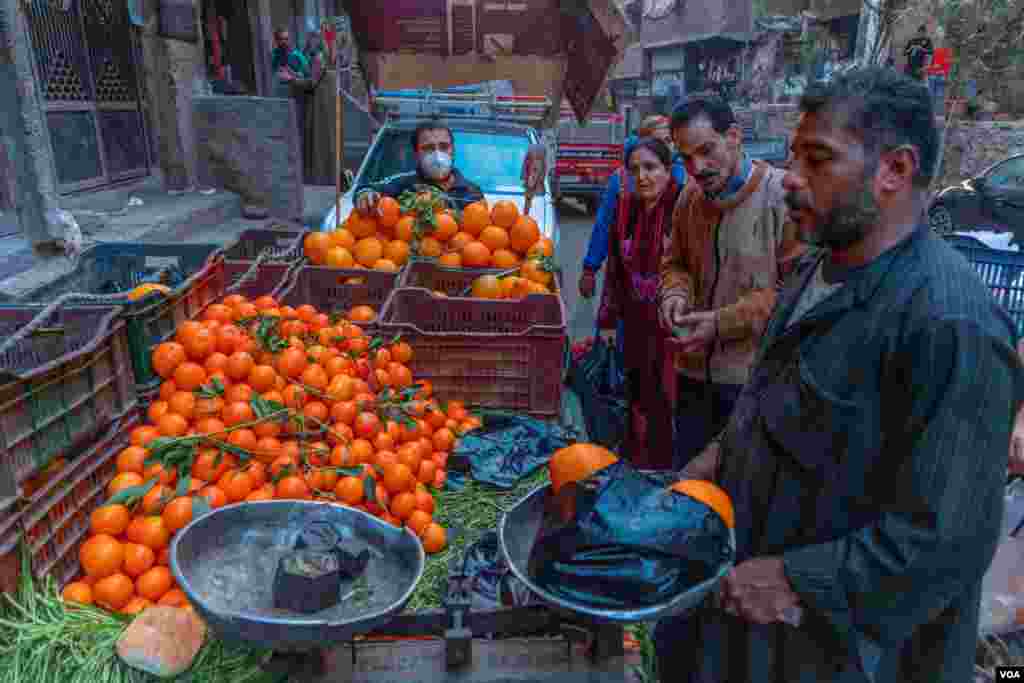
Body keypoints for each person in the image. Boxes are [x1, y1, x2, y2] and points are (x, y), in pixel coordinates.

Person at [659, 67, 1024, 683]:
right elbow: (771, 402)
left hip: (854, 656)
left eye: (818, 160)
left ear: (895, 171)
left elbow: (946, 541)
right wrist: (715, 459)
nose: (792, 181)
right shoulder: (813, 272)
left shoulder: (949, 323)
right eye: (793, 156)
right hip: (761, 637)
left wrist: (793, 580)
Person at [658, 96, 804, 471]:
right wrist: (674, 295)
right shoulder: (689, 200)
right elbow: (675, 263)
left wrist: (720, 323)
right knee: (687, 493)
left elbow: (796, 295)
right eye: (686, 159)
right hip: (691, 376)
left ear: (735, 136)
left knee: (740, 496)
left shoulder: (781, 199)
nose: (697, 168)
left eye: (707, 151)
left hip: (752, 385)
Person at [596, 138, 682, 469]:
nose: (642, 177)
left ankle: (663, 472)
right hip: (634, 322)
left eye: (651, 168)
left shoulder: (682, 207)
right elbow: (616, 268)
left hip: (671, 328)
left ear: (667, 169)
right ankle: (635, 466)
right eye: (634, 170)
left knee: (666, 401)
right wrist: (607, 319)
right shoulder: (627, 209)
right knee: (635, 395)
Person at [579, 115, 686, 299]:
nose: (666, 147)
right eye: (658, 141)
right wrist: (590, 268)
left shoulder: (685, 176)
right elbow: (604, 225)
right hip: (630, 275)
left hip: (672, 281)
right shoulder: (621, 180)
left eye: (669, 141)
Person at [354, 120, 484, 216]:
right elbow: (368, 189)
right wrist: (365, 194)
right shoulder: (403, 184)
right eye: (428, 148)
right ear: (416, 154)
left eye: (444, 147)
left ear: (453, 150)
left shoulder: (472, 191)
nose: (438, 155)